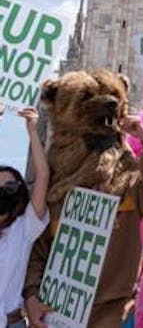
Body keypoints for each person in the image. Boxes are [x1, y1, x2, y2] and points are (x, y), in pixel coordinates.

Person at [0, 108, 48, 328]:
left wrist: (32, 129)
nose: (2, 190)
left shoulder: (25, 227)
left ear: (18, 189)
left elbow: (42, 176)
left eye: (9, 186)